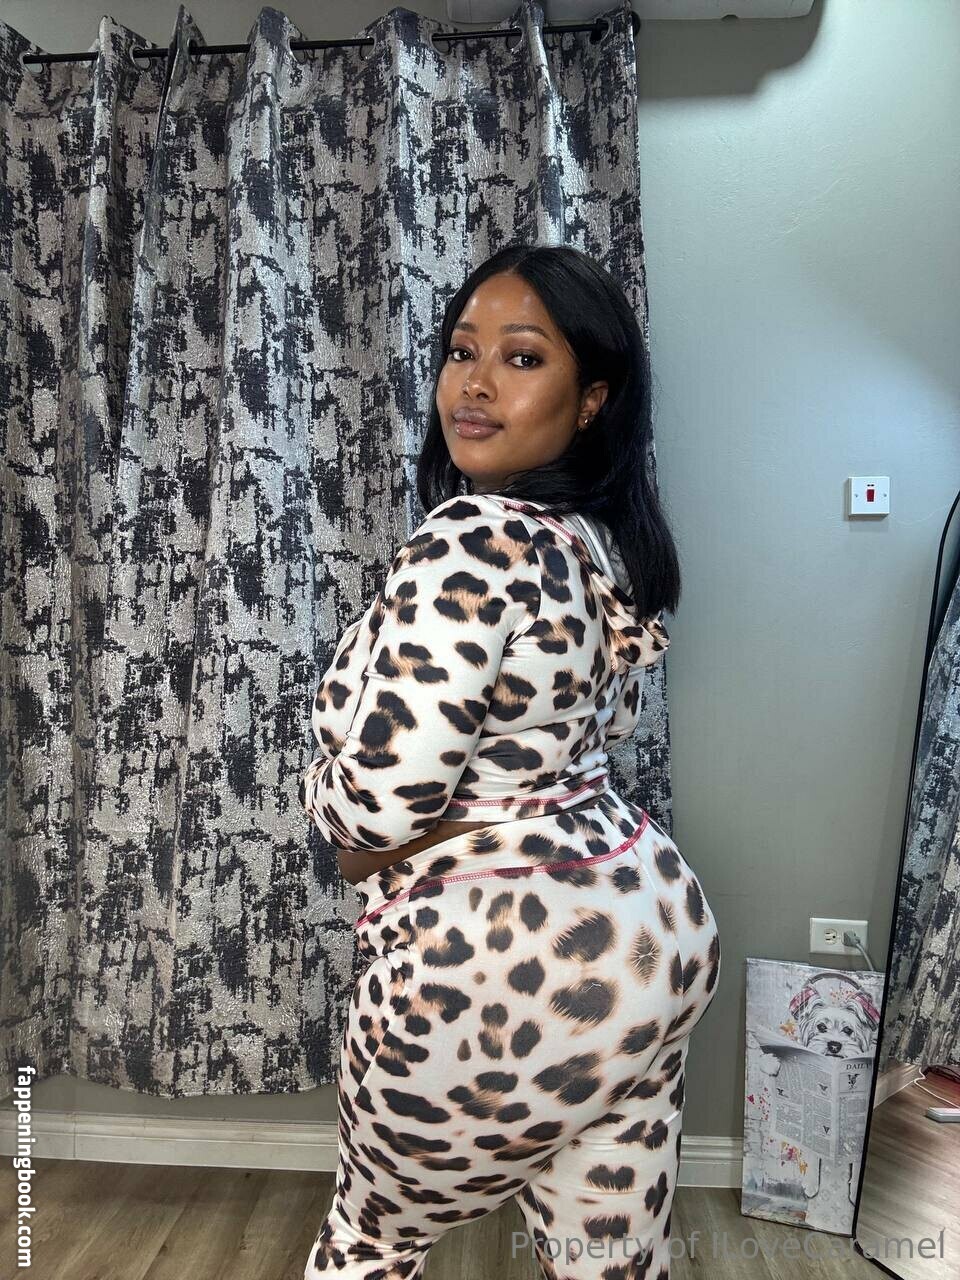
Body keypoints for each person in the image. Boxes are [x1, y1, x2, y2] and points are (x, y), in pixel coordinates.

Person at [299, 242, 721, 1279]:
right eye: (461, 351)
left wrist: (333, 810)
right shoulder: (594, 543)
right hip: (648, 937)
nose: (475, 383)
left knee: (370, 1242)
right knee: (608, 1260)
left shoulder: (469, 542)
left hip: (498, 969)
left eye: (522, 358)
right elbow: (596, 737)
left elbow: (380, 808)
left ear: (592, 401)